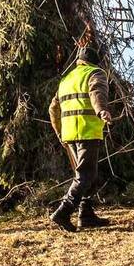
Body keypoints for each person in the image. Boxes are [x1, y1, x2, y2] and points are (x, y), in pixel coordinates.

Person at [47, 45, 113, 232]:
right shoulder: (95, 73)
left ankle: (86, 215)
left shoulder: (67, 78)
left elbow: (53, 108)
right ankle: (63, 212)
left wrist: (60, 132)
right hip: (87, 130)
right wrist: (102, 111)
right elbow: (97, 92)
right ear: (96, 60)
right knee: (86, 175)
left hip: (70, 133)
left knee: (86, 175)